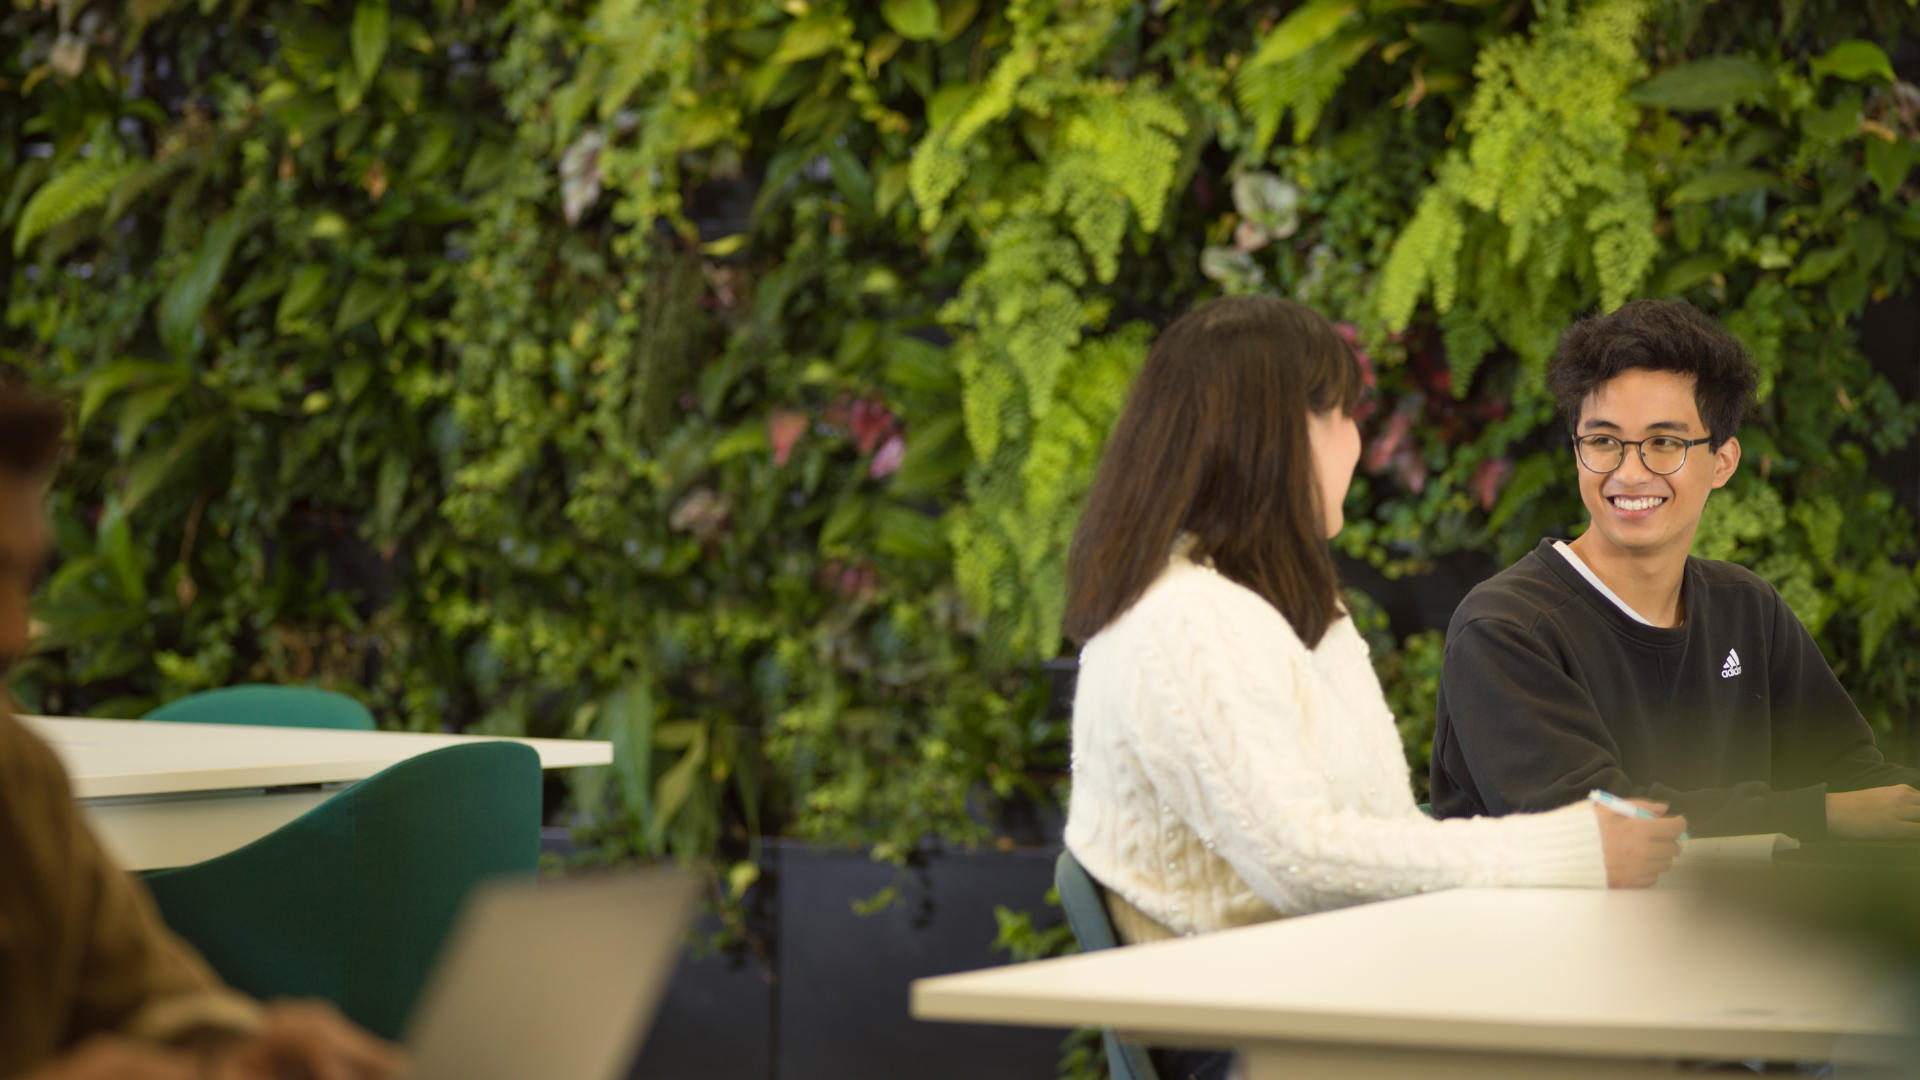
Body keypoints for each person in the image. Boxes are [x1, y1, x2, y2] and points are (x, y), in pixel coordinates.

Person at [1061, 296, 1685, 1080]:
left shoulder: (1289, 609)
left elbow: (1373, 833)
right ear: (1282, 435)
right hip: (1265, 1034)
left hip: (1339, 992)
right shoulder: (1184, 622)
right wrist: (1570, 849)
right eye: (1344, 416)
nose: (1359, 444)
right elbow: (1300, 859)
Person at [0, 382, 402, 1080]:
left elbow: (145, 990)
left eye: (24, 581)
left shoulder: (18, 774)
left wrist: (239, 1048)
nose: (15, 632)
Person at [1430, 299, 1920, 840]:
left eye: (1664, 443)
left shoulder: (1746, 607)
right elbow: (1597, 827)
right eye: (1603, 441)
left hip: (1726, 923)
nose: (1630, 472)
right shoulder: (1506, 629)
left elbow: (1855, 779)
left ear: (1724, 462)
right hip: (1559, 925)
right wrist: (1818, 814)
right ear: (1576, 452)